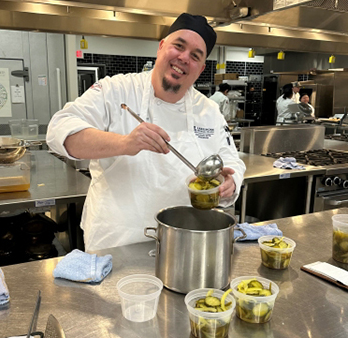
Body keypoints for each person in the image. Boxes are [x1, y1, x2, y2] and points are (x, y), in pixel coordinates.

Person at [46, 13, 246, 252]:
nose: (184, 58)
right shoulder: (116, 89)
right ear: (161, 47)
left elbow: (232, 158)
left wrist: (231, 182)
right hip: (116, 243)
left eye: (195, 56)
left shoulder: (209, 110)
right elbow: (60, 130)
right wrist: (124, 143)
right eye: (178, 46)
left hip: (184, 242)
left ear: (201, 68)